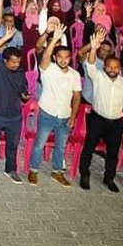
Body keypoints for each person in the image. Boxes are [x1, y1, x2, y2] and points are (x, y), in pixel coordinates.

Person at [78, 30, 123, 192]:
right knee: (89, 147)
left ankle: (109, 177)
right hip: (97, 119)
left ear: (120, 69)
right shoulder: (98, 77)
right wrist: (94, 48)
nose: (112, 69)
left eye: (115, 67)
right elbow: (89, 65)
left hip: (116, 123)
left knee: (112, 152)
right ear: (104, 67)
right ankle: (84, 174)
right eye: (109, 67)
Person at [28, 22, 81, 187]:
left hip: (65, 116)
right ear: (54, 57)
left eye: (66, 57)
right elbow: (44, 56)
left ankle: (57, 172)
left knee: (61, 146)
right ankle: (33, 170)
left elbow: (77, 97)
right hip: (47, 113)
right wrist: (54, 39)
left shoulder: (74, 74)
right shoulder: (47, 69)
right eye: (60, 57)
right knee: (39, 144)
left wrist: (73, 117)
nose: (63, 60)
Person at [0, 19, 30, 183]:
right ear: (5, 61)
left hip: (14, 117)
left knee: (13, 146)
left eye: (18, 61)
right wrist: (5, 38)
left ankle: (11, 169)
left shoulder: (21, 72)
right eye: (13, 62)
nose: (16, 64)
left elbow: (23, 91)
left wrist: (25, 96)